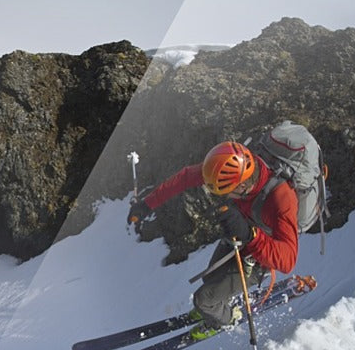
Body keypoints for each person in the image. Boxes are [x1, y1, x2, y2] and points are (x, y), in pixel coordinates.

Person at [127, 141, 299, 340]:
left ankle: (225, 319)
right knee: (210, 279)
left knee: (204, 300)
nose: (222, 195)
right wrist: (147, 205)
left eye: (225, 191)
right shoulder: (227, 169)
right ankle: (214, 307)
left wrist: (250, 235)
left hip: (259, 258)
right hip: (238, 238)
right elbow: (185, 178)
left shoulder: (281, 198)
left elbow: (288, 260)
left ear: (242, 185)